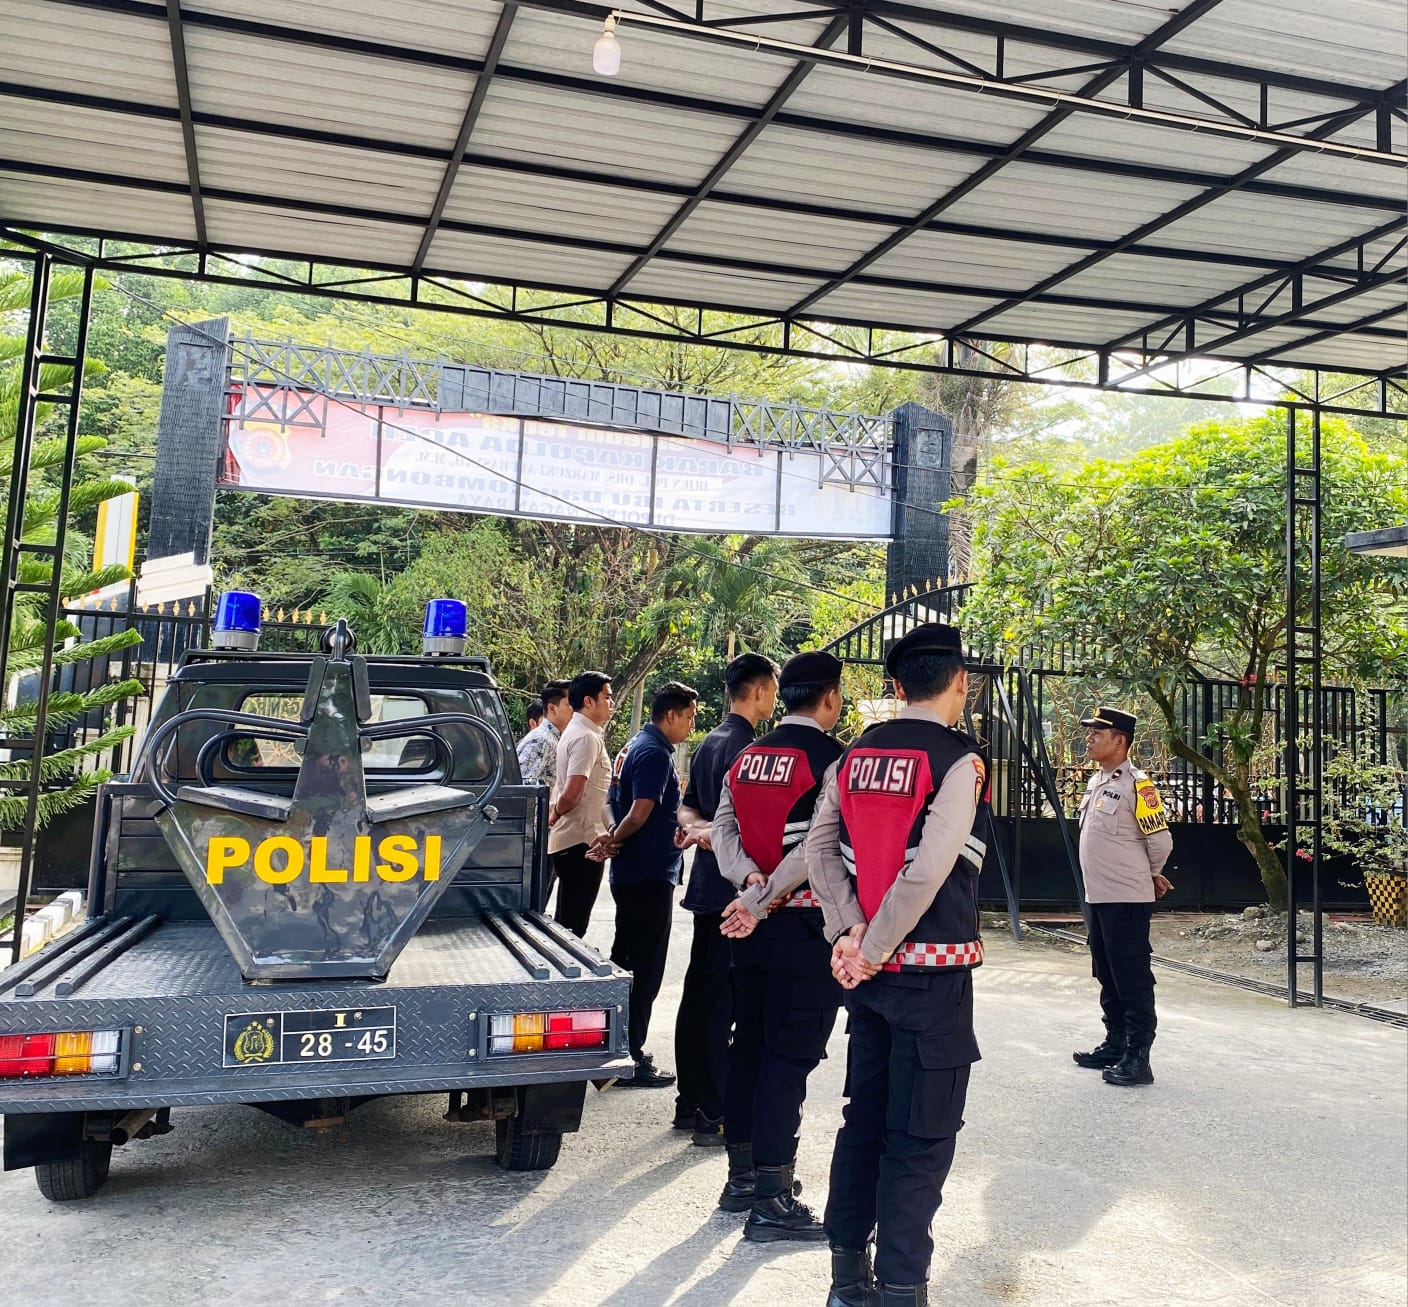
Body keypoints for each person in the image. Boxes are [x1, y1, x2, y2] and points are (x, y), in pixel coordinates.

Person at [806, 623, 987, 1307]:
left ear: (896, 685)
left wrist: (847, 931)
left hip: (870, 983)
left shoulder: (854, 754)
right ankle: (902, 1286)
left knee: (865, 1121)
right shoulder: (959, 762)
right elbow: (929, 870)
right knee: (921, 1135)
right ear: (960, 681)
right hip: (930, 981)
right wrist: (873, 943)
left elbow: (818, 849)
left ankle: (847, 1278)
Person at [712, 650, 845, 1243]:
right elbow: (817, 846)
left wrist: (748, 883)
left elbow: (723, 829)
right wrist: (765, 896)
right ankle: (772, 1197)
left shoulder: (746, 757)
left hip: (750, 931)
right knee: (788, 1062)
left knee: (750, 1048)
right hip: (804, 929)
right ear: (830, 698)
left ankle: (741, 1179)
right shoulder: (834, 760)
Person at [673, 652, 780, 1144]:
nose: (775, 699)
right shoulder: (749, 750)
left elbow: (686, 810)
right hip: (733, 893)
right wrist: (715, 836)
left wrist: (700, 832)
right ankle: (713, 1110)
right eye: (772, 689)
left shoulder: (709, 742)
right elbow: (745, 830)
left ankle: (689, 1100)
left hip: (706, 888)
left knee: (701, 994)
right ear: (757, 691)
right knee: (723, 1003)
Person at [591, 681, 698, 1089]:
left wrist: (610, 836)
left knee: (626, 962)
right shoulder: (654, 752)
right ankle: (630, 1056)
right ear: (670, 715)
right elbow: (639, 812)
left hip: (633, 872)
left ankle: (615, 1049)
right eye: (688, 717)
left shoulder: (632, 745)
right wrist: (615, 839)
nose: (691, 725)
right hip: (648, 874)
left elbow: (609, 803)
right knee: (645, 970)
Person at [1072, 706, 1174, 1089]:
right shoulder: (1097, 782)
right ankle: (1115, 1043)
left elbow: (1160, 841)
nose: (1090, 738)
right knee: (1107, 972)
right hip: (1099, 896)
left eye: (1098, 732)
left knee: (1131, 976)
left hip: (1127, 897)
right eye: (1091, 731)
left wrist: (1149, 874)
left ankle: (1138, 1056)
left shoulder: (1138, 786)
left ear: (1120, 741)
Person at [548, 672, 615, 938]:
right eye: (606, 697)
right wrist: (555, 812)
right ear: (588, 701)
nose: (611, 703)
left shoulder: (579, 732)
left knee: (568, 921)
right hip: (581, 841)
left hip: (577, 839)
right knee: (573, 927)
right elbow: (573, 791)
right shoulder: (586, 737)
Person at [517, 680, 572, 789]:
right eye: (570, 704)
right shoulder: (541, 740)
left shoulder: (554, 738)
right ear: (552, 708)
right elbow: (522, 789)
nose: (576, 709)